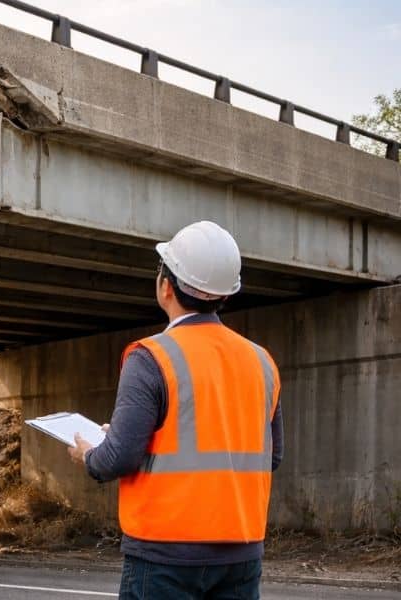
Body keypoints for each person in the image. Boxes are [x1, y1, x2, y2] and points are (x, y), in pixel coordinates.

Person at [68, 221, 284, 600]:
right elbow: (272, 455)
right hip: (241, 555)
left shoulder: (150, 357)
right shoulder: (262, 361)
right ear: (224, 295)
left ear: (165, 286)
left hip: (165, 557)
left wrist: (90, 454)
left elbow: (118, 458)